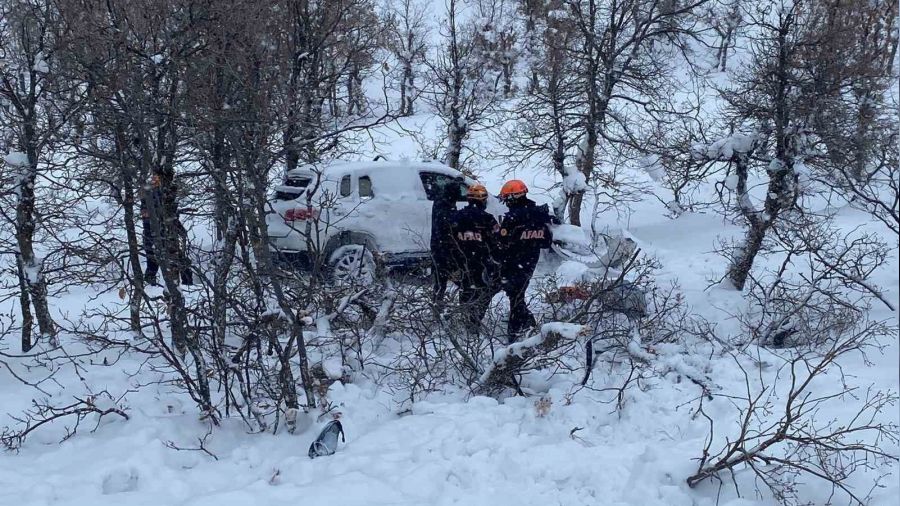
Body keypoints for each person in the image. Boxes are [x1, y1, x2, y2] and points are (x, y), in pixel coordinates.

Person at [497, 179, 554, 342]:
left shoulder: (512, 218)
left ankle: (514, 335)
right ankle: (529, 324)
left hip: (513, 261)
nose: (506, 203)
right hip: (530, 261)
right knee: (517, 294)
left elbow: (502, 243)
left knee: (515, 295)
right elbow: (546, 241)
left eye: (507, 199)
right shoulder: (540, 214)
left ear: (513, 198)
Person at [448, 184, 501, 334]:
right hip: (482, 263)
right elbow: (497, 241)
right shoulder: (488, 219)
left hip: (460, 262)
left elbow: (448, 240)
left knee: (465, 289)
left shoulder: (456, 217)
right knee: (484, 290)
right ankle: (474, 321)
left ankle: (467, 318)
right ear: (483, 200)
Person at [141, 173, 193, 286]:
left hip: (161, 236)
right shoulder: (149, 198)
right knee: (155, 263)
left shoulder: (160, 195)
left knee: (157, 263)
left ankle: (186, 285)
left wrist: (179, 229)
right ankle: (151, 286)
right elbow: (156, 218)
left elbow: (170, 216)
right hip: (156, 237)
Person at [430, 181, 459, 303]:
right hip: (443, 248)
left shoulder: (440, 202)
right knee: (442, 280)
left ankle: (437, 303)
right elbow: (448, 225)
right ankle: (438, 305)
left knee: (440, 281)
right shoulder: (445, 207)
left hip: (439, 246)